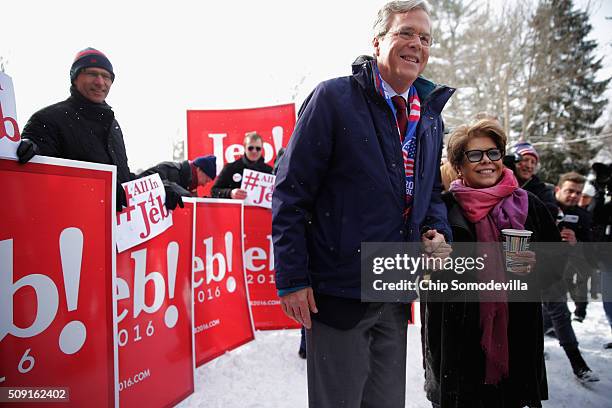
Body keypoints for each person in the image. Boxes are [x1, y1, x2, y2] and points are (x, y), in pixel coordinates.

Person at [273, 1, 453, 406]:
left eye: (425, 38)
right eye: (405, 32)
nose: (416, 44)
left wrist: (436, 230)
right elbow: (291, 193)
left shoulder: (430, 118)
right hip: (338, 291)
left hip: (394, 288)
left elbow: (431, 194)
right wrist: (292, 278)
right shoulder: (334, 98)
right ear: (377, 42)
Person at [422, 118, 562, 408]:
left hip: (515, 340)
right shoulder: (442, 210)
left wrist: (536, 268)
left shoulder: (529, 205)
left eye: (493, 152)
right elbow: (420, 274)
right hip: (457, 343)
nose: (486, 160)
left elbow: (557, 270)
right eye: (475, 155)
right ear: (458, 165)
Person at [16, 47, 186, 210]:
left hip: (111, 232)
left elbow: (123, 180)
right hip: (72, 230)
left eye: (106, 76)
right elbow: (43, 184)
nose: (100, 82)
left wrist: (158, 190)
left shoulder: (113, 126)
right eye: (91, 74)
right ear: (75, 78)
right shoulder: (47, 119)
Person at [541, 172, 599, 382]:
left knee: (549, 314)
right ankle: (578, 365)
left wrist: (576, 244)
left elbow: (590, 249)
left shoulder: (582, 216)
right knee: (560, 312)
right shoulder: (542, 206)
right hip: (536, 270)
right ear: (558, 190)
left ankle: (533, 346)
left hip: (563, 272)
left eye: (578, 192)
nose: (574, 196)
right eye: (569, 191)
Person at [211, 131, 273, 199]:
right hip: (236, 209)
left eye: (258, 148)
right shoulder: (231, 168)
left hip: (260, 209)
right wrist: (230, 193)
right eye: (250, 148)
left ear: (262, 149)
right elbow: (214, 191)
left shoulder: (269, 171)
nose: (254, 151)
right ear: (244, 148)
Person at [510, 141, 558, 217]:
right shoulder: (499, 183)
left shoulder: (543, 190)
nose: (529, 166)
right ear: (513, 162)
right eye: (525, 160)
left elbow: (551, 211)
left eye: (533, 162)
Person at [139, 155, 217, 195]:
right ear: (199, 169)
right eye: (206, 180)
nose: (204, 185)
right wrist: (172, 188)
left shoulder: (191, 188)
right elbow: (143, 180)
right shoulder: (168, 168)